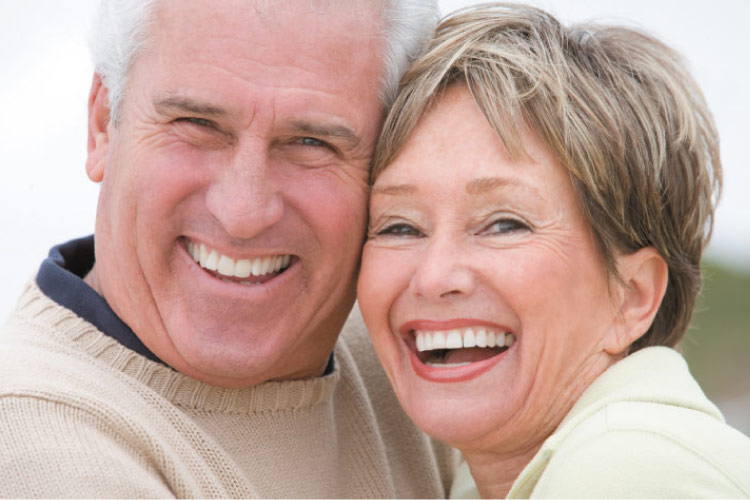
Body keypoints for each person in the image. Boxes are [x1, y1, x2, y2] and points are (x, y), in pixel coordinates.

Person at [0, 0, 459, 497]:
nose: (242, 213)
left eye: (310, 142)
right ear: (102, 125)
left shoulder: (423, 355)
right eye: (197, 124)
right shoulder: (38, 446)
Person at [357, 3, 750, 498]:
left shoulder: (627, 471)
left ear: (633, 296)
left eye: (504, 224)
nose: (433, 277)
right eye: (399, 227)